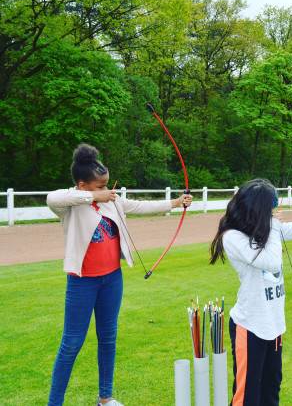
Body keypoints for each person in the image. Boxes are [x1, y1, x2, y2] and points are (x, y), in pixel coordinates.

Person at [46, 144, 192, 406]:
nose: (107, 191)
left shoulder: (112, 202)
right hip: (82, 282)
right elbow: (52, 198)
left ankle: (105, 398)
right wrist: (93, 197)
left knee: (108, 338)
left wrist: (176, 202)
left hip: (112, 278)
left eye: (106, 186)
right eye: (100, 186)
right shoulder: (71, 206)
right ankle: (54, 403)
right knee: (71, 343)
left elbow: (141, 206)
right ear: (82, 185)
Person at [209, 179, 292, 406]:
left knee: (271, 390)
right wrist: (272, 227)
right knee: (247, 396)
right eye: (270, 210)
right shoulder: (232, 237)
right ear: (258, 210)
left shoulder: (263, 229)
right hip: (250, 326)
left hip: (274, 326)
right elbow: (270, 262)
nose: (274, 213)